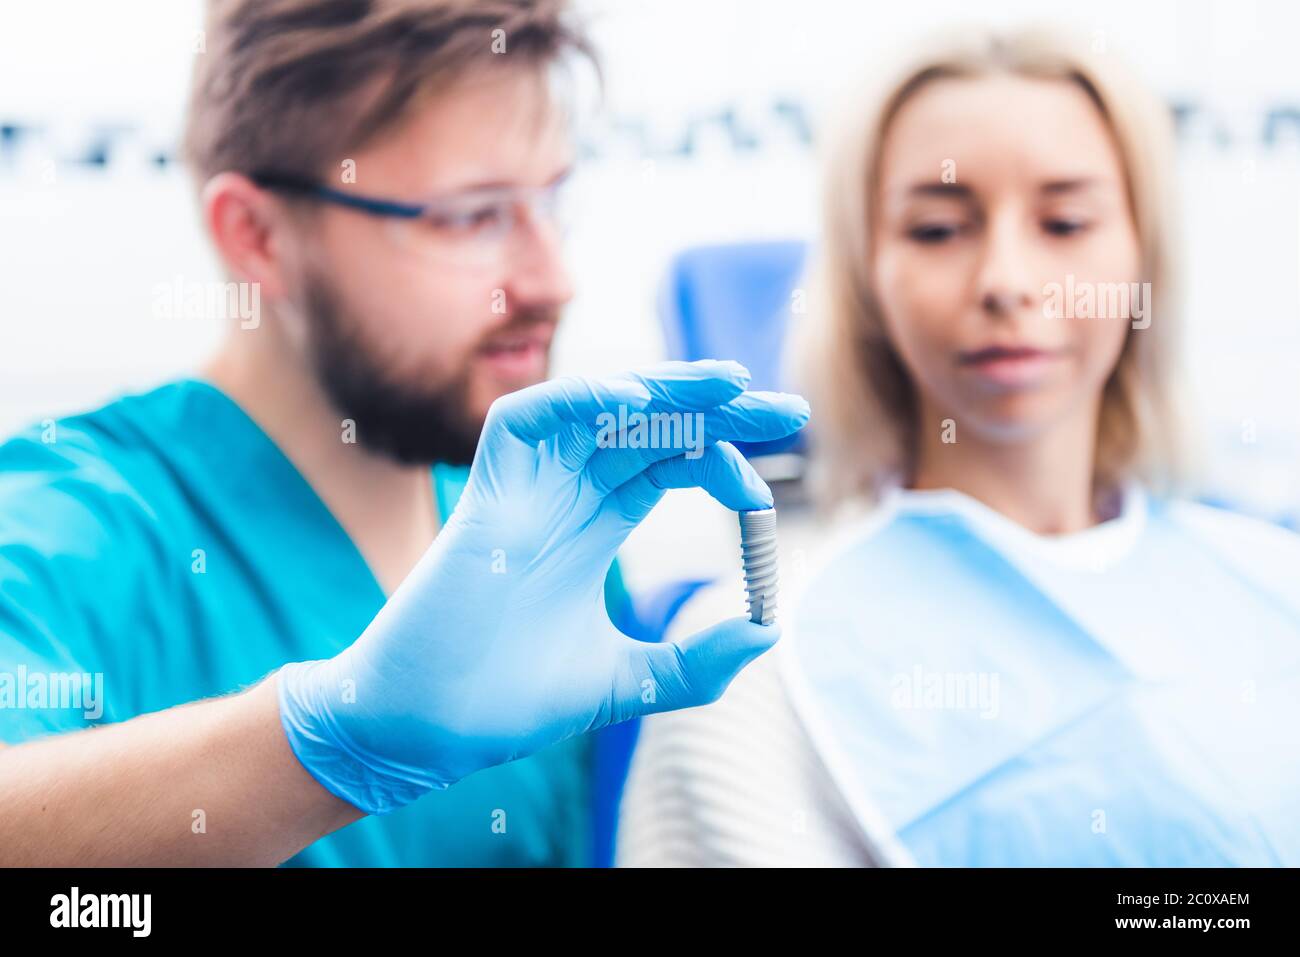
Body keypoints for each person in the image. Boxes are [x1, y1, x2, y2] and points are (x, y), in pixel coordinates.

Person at [0, 0, 812, 866]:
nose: (552, 279)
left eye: (551, 201)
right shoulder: (63, 529)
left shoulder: (548, 541)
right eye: (473, 215)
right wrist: (320, 751)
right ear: (258, 237)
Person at [617, 27, 1300, 867]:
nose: (1005, 280)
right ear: (867, 278)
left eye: (1065, 220)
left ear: (1141, 255)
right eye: (938, 230)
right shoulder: (750, 659)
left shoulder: (1272, 589)